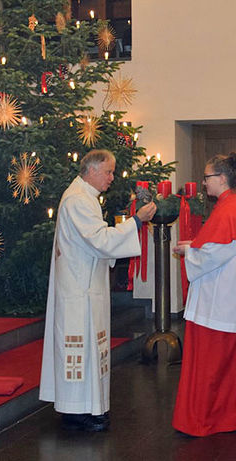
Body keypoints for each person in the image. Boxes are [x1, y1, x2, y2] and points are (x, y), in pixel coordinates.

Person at [40, 149, 156, 432]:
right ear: (91, 170)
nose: (111, 178)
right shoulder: (78, 200)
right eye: (108, 172)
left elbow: (97, 242)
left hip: (85, 284)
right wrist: (136, 221)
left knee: (89, 348)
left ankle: (89, 408)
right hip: (79, 290)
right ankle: (76, 411)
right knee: (80, 348)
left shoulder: (84, 197)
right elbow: (101, 240)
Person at [172, 151, 236, 436]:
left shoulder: (229, 209)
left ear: (222, 179)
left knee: (211, 367)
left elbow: (211, 255)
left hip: (220, 303)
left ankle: (203, 420)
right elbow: (217, 247)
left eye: (207, 177)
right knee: (234, 367)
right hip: (235, 300)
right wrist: (195, 246)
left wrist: (189, 250)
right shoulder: (234, 206)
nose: (203, 183)